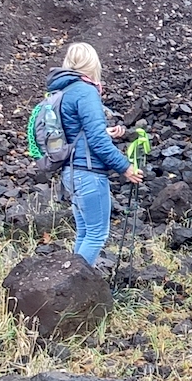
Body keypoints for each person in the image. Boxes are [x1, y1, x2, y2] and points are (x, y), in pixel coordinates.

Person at [46, 43, 143, 265]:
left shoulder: (62, 91)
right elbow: (97, 141)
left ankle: (68, 283)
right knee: (96, 234)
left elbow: (77, 132)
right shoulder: (86, 91)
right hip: (88, 173)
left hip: (70, 172)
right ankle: (72, 288)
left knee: (84, 234)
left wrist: (105, 131)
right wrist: (125, 167)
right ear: (93, 64)